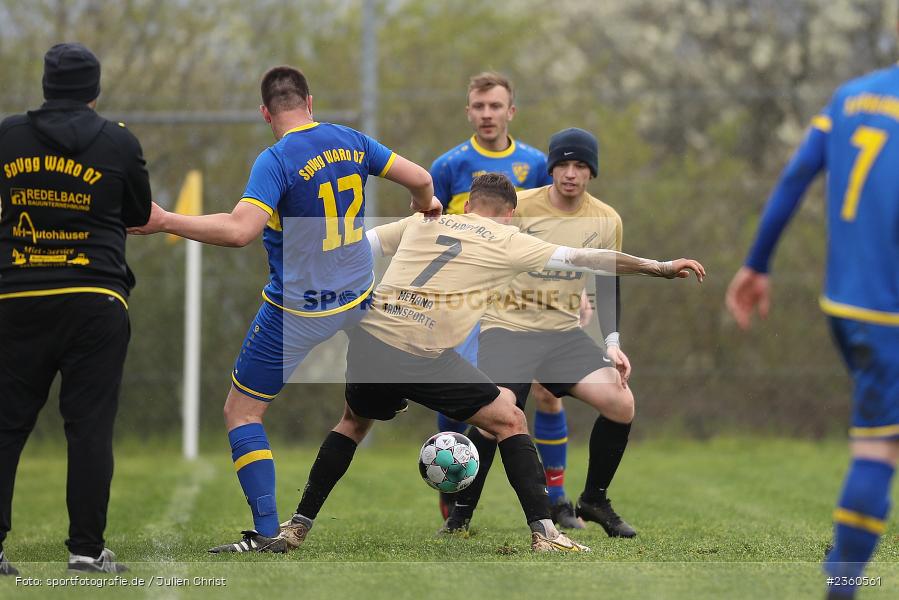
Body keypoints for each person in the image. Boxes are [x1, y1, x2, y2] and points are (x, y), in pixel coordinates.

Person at [277, 173, 705, 552]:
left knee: (352, 422)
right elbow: (588, 259)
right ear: (510, 214)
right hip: (425, 355)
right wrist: (661, 267)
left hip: (372, 343)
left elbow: (358, 246)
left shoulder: (425, 219)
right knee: (510, 419)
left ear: (467, 203)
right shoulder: (508, 239)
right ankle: (545, 535)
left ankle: (296, 526)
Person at [128, 65, 439, 553]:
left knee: (242, 413)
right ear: (310, 102)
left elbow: (238, 231)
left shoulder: (275, 160)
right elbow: (420, 178)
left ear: (265, 112)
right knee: (392, 384)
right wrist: (428, 205)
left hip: (299, 313)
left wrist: (165, 219)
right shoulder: (350, 138)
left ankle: (270, 531)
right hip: (358, 298)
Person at [725, 48, 899, 600]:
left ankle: (843, 558)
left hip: (847, 305)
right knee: (880, 449)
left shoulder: (850, 96)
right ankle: (840, 586)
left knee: (885, 440)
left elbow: (797, 175)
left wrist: (756, 263)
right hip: (891, 311)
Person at [442, 128, 640, 539]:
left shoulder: (606, 219)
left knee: (621, 403)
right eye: (562, 164)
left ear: (591, 172)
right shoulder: (520, 207)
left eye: (580, 165)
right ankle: (460, 514)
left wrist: (613, 343)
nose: (570, 173)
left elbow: (608, 282)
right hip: (507, 329)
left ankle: (594, 500)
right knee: (495, 416)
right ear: (550, 168)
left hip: (563, 337)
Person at [0, 43, 151, 574]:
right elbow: (137, 211)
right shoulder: (118, 142)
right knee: (88, 428)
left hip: (16, 294)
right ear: (94, 90)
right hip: (96, 298)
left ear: (45, 85)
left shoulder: (8, 136)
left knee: (6, 424)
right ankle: (86, 550)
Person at [429, 72, 582, 527]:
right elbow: (429, 231)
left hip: (519, 300)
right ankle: (452, 489)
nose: (487, 114)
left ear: (511, 111)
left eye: (496, 106)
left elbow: (554, 228)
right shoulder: (448, 166)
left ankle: (556, 499)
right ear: (468, 111)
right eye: (479, 106)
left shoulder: (536, 164)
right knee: (454, 396)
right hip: (460, 297)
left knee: (545, 393)